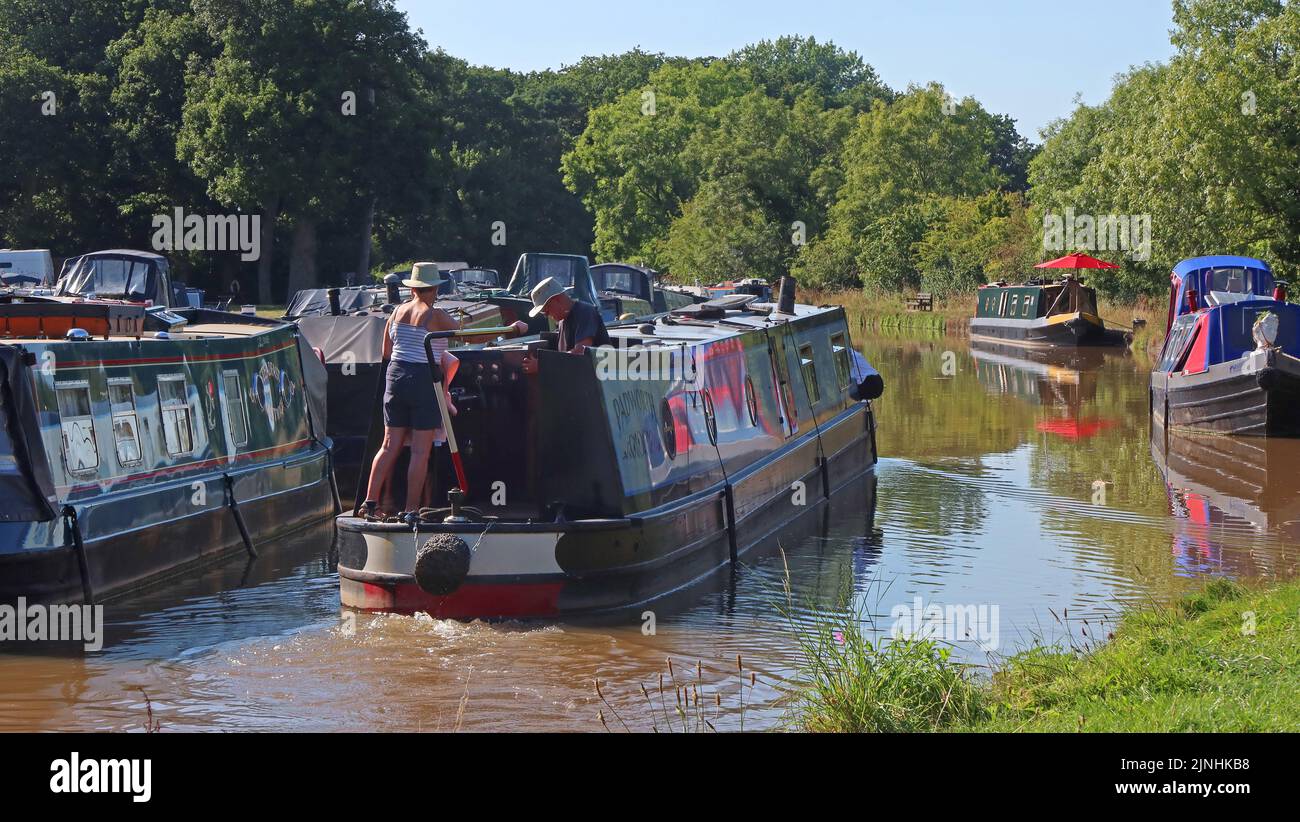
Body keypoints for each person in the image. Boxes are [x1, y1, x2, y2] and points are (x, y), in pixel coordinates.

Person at [364, 262, 526, 516]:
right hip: (422, 379)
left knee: (388, 446)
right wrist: (512, 330)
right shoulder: (436, 315)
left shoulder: (395, 313)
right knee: (420, 450)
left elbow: (386, 352)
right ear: (434, 290)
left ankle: (369, 503)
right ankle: (411, 510)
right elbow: (469, 337)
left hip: (394, 377)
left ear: (413, 289)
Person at [520, 276, 611, 375]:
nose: (546, 315)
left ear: (557, 300)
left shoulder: (585, 312)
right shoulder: (562, 322)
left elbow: (580, 353)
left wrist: (543, 364)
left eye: (546, 310)